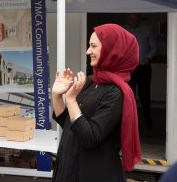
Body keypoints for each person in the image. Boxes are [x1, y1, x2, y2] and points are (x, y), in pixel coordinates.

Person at [52, 24, 141, 182]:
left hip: (93, 173)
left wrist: (71, 100)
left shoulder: (116, 92)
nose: (88, 51)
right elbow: (68, 123)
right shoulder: (92, 81)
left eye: (93, 46)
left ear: (112, 50)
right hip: (69, 168)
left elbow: (89, 138)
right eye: (89, 45)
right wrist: (57, 96)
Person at [125, 13, 157, 129]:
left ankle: (148, 122)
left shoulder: (147, 29)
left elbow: (154, 47)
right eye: (130, 18)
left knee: (144, 95)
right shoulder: (125, 30)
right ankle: (130, 123)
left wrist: (148, 58)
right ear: (128, 18)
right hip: (130, 69)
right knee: (129, 96)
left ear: (139, 18)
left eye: (134, 18)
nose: (132, 21)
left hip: (144, 67)